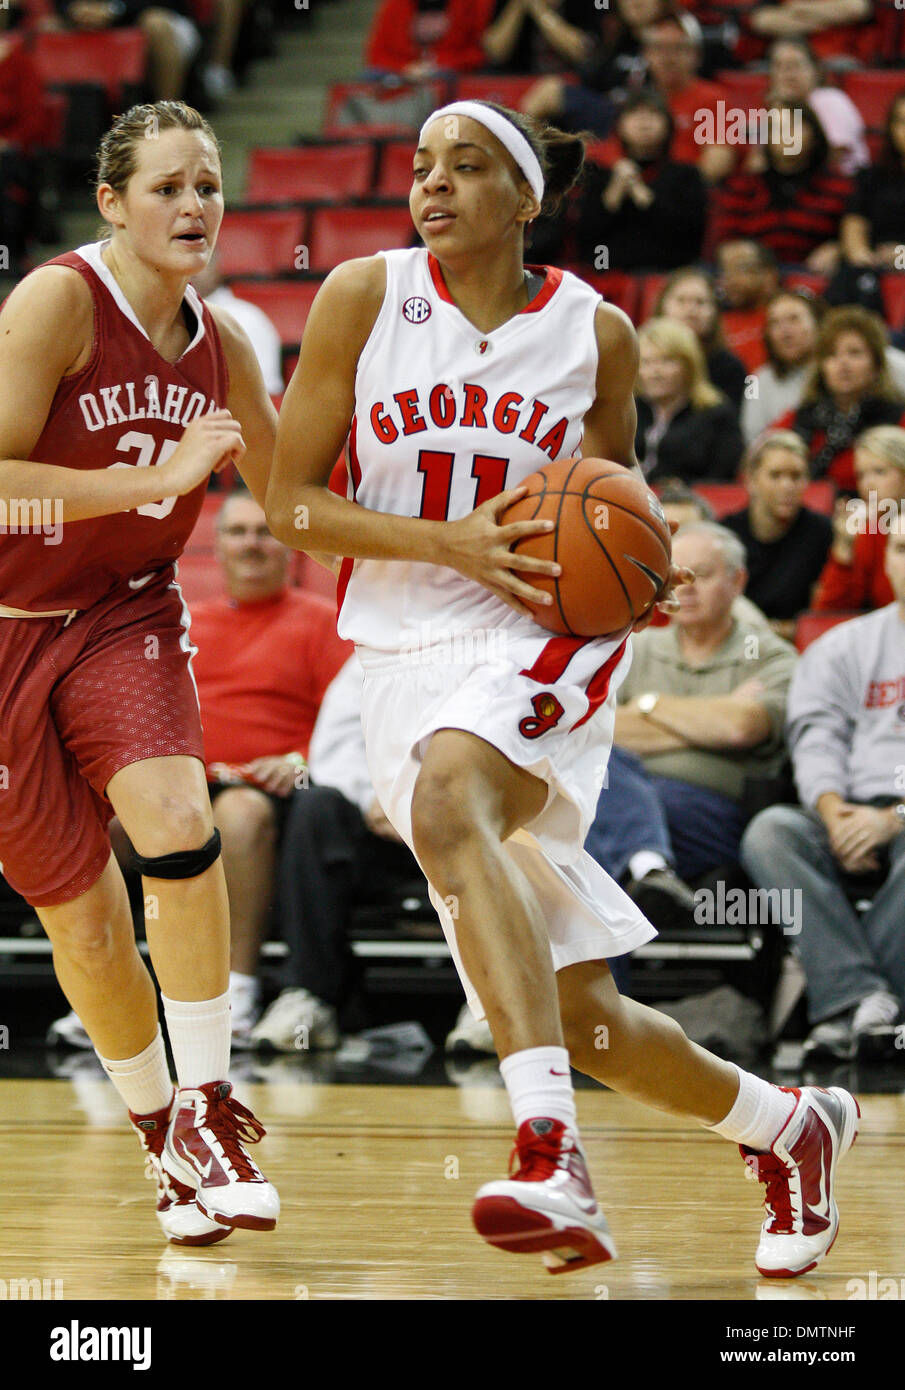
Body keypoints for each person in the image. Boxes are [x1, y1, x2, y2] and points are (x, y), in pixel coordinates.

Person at [266, 97, 859, 1278]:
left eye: (466, 166)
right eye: (423, 165)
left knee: (445, 802)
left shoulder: (596, 332)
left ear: (527, 199)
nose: (430, 184)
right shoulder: (363, 297)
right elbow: (289, 502)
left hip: (538, 640)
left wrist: (630, 578)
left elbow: (618, 503)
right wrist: (446, 545)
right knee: (583, 1016)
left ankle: (550, 1154)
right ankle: (791, 1127)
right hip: (400, 652)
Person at [0, 100, 283, 1247]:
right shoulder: (58, 299)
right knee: (84, 925)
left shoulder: (228, 345)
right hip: (7, 619)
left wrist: (472, 546)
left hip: (125, 613)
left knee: (176, 815)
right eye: (166, 186)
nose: (193, 206)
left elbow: (297, 500)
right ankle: (164, 1137)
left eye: (207, 185)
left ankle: (211, 1105)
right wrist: (152, 478)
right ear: (111, 202)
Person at [741, 516, 905, 1062]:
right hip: (848, 807)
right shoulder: (847, 645)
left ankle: (841, 1007)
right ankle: (869, 1001)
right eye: (901, 548)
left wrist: (894, 819)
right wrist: (833, 811)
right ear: (886, 560)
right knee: (770, 832)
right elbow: (816, 737)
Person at [585, 522, 798, 919]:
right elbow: (596, 728)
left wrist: (646, 708)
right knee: (598, 785)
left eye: (701, 574)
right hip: (627, 798)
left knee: (592, 832)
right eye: (674, 575)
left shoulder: (770, 655)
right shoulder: (635, 647)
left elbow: (740, 728)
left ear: (737, 581)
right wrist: (705, 724)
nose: (686, 587)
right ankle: (648, 868)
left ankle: (646, 867)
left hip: (713, 816)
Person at [770, 304, 905, 493]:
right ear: (821, 367)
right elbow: (759, 466)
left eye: (854, 353)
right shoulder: (800, 418)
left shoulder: (897, 420)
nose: (843, 363)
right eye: (832, 354)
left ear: (876, 365)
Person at [712, 102, 853, 273]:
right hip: (754, 281)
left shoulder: (842, 187)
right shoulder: (741, 187)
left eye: (793, 126)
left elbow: (859, 240)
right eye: (776, 128)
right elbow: (723, 245)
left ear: (815, 135)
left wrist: (839, 248)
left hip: (820, 278)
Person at [574, 94, 706, 274]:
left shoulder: (686, 174)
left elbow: (690, 233)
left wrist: (643, 194)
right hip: (607, 271)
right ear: (619, 126)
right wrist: (613, 194)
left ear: (668, 126)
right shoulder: (600, 174)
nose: (644, 120)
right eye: (634, 113)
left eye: (653, 113)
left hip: (670, 271)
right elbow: (585, 236)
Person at [722, 431, 832, 640]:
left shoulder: (822, 533)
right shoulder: (726, 535)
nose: (787, 486)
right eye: (776, 475)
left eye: (796, 476)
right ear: (751, 480)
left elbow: (823, 616)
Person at [520, 0, 672, 137]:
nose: (633, 3)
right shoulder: (616, 38)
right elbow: (591, 78)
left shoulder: (677, 36)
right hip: (611, 112)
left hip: (654, 113)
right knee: (548, 92)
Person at [634, 317, 745, 482]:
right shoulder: (628, 411)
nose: (655, 372)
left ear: (689, 365)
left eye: (666, 361)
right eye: (647, 362)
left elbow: (722, 479)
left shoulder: (717, 415)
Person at [813, 425, 905, 612]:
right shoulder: (872, 531)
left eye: (880, 472)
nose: (868, 484)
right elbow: (829, 615)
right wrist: (844, 548)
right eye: (861, 475)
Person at [636, 12, 733, 183]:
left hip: (689, 196)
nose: (668, 58)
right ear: (646, 54)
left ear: (696, 55)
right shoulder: (636, 100)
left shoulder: (713, 99)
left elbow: (718, 163)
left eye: (678, 48)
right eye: (659, 48)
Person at [53, 0, 202, 103]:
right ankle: (58, 125)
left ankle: (166, 116)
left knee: (157, 24)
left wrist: (114, 9)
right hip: (93, 23)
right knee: (47, 27)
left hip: (155, 17)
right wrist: (74, 9)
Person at [651, 268, 747, 412]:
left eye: (700, 302)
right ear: (662, 307)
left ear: (714, 313)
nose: (690, 310)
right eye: (681, 300)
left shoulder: (730, 367)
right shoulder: (640, 359)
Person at [767, 37, 868, 175]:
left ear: (815, 69)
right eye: (780, 66)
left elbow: (835, 156)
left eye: (795, 65)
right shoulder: (774, 108)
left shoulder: (831, 99)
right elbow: (758, 163)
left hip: (842, 183)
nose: (788, 74)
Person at [192, 251, 283, 397]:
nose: (191, 271)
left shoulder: (247, 317)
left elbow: (265, 392)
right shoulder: (160, 316)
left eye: (199, 262)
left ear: (217, 267)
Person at [741, 288, 823, 444]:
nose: (785, 332)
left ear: (817, 324)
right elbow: (750, 437)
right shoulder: (754, 380)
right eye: (775, 323)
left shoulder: (834, 372)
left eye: (794, 319)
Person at [840, 92, 905, 274]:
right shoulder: (870, 178)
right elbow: (854, 228)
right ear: (891, 128)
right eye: (902, 122)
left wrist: (901, 257)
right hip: (875, 271)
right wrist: (863, 257)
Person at [716, 241, 781, 377]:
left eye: (741, 268)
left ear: (769, 275)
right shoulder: (715, 323)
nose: (730, 278)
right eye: (724, 270)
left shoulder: (784, 318)